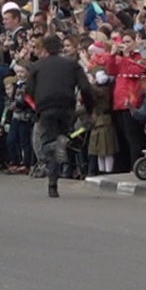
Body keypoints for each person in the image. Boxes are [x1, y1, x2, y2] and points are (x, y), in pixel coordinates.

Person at [30, 34, 94, 198]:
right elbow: (86, 88)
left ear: (44, 49)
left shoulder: (37, 66)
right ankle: (54, 177)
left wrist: (36, 108)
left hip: (45, 108)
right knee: (60, 138)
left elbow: (27, 93)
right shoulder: (72, 65)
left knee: (45, 142)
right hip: (66, 107)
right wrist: (89, 109)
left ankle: (52, 180)